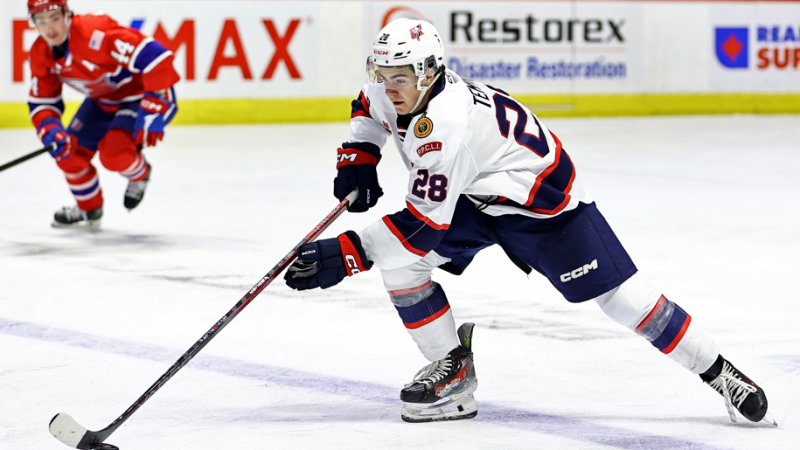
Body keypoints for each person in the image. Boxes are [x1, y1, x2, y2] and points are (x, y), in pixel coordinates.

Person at [284, 18, 777, 426]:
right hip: (477, 197)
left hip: (543, 205)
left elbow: (421, 226)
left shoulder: (446, 127)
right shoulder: (393, 86)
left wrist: (348, 253)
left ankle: (720, 372)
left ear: (430, 73)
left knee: (624, 300)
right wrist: (359, 155)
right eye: (383, 74)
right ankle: (452, 374)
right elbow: (366, 109)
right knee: (404, 270)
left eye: (401, 78)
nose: (389, 88)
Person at [27, 0, 179, 227]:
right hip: (103, 101)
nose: (50, 29)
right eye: (41, 21)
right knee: (68, 152)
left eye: (55, 19)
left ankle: (140, 174)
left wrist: (156, 102)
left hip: (139, 96)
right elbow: (43, 101)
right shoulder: (41, 53)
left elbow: (156, 57)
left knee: (114, 153)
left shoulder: (94, 32)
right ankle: (89, 210)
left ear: (67, 15)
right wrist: (50, 129)